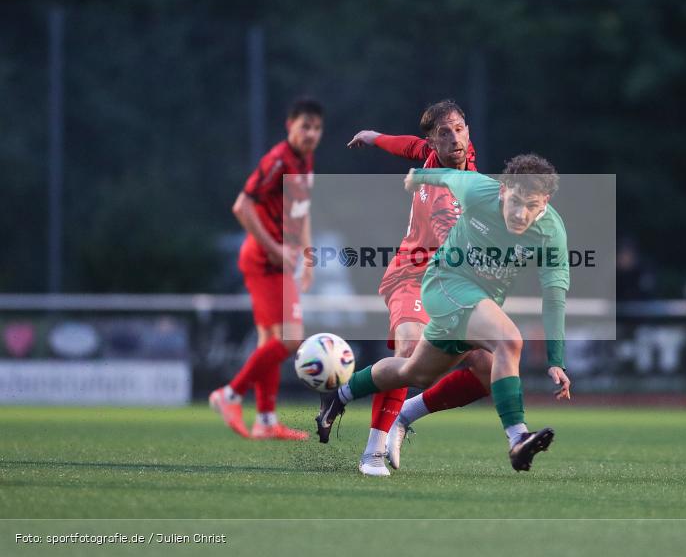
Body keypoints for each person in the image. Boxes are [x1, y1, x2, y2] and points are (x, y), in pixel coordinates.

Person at [317, 154, 572, 472]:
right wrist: (416, 176)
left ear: (544, 201)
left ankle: (339, 394)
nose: (520, 213)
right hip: (445, 282)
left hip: (480, 299)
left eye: (531, 205)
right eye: (515, 201)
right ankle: (517, 438)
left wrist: (556, 359)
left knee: (415, 372)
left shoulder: (552, 234)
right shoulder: (479, 190)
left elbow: (554, 297)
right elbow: (447, 175)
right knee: (509, 341)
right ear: (504, 190)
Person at [345, 100, 493, 476]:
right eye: (445, 133)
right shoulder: (435, 187)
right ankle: (373, 450)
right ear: (434, 141)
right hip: (414, 275)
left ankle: (406, 416)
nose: (455, 138)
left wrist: (373, 137)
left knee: (491, 369)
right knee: (410, 351)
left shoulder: (454, 153)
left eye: (460, 128)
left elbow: (405, 144)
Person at [208, 97, 323, 440]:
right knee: (290, 339)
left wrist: (307, 256)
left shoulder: (305, 161)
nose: (312, 133)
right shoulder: (277, 160)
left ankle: (265, 421)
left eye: (317, 128)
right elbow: (242, 206)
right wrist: (274, 248)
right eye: (305, 126)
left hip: (278, 260)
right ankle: (229, 394)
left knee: (270, 341)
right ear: (289, 125)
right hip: (263, 260)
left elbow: (301, 211)